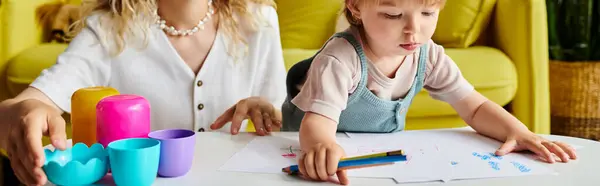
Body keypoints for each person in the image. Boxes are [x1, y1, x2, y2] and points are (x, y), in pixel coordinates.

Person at [281, 0, 578, 184]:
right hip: (298, 150)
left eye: (427, 11)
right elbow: (318, 124)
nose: (414, 29)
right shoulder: (339, 60)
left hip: (374, 161)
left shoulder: (428, 55)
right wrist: (320, 147)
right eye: (393, 14)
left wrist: (519, 131)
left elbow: (473, 108)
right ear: (355, 6)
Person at [0, 0, 286, 185]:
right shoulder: (109, 28)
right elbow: (27, 103)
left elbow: (286, 126)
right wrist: (20, 112)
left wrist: (268, 111)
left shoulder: (259, 20)